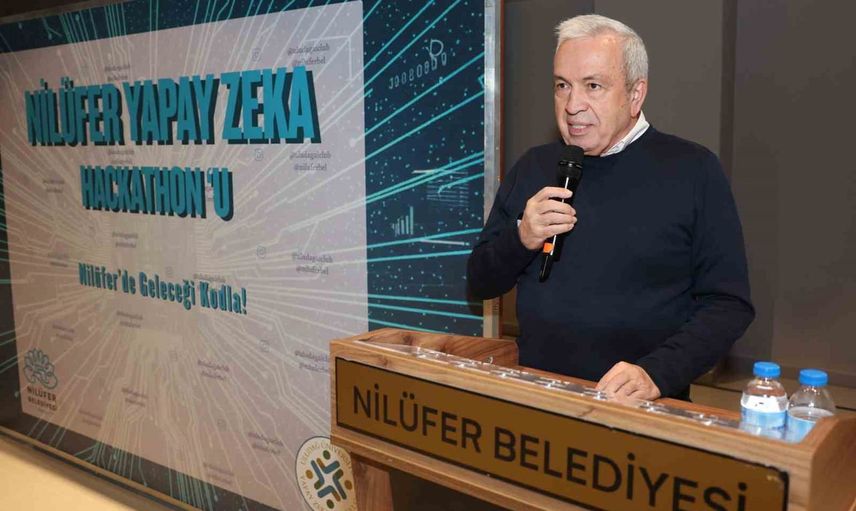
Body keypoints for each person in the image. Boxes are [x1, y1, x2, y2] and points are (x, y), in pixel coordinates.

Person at [467, 14, 754, 400]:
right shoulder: (534, 167)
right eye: (562, 85)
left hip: (639, 408)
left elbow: (729, 305)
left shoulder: (693, 171)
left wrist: (657, 373)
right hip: (538, 400)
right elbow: (480, 281)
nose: (573, 105)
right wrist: (521, 238)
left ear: (635, 95)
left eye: (593, 86)